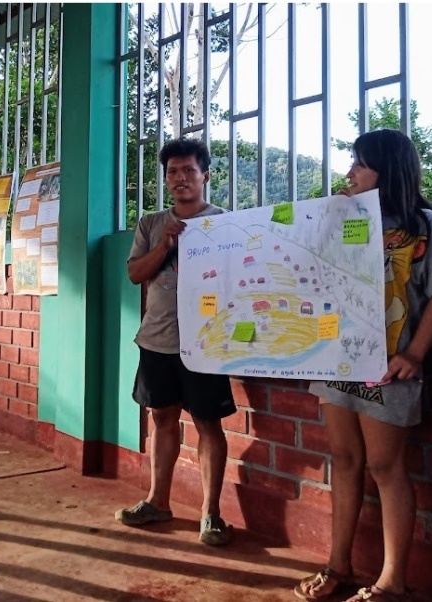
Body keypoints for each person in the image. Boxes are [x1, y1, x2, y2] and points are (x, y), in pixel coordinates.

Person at [293, 129, 432, 601]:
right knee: (345, 460)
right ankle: (338, 566)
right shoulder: (342, 225)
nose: (349, 172)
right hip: (336, 363)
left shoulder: (426, 226)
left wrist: (413, 355)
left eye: (360, 164)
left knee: (386, 466)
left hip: (389, 370)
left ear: (387, 170)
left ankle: (392, 582)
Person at [115, 137, 237, 546]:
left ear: (206, 175)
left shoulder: (226, 223)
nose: (181, 178)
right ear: (166, 179)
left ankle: (211, 515)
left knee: (208, 424)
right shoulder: (151, 224)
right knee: (162, 419)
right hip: (157, 340)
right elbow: (135, 275)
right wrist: (166, 244)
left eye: (189, 170)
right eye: (173, 172)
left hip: (206, 343)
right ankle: (157, 501)